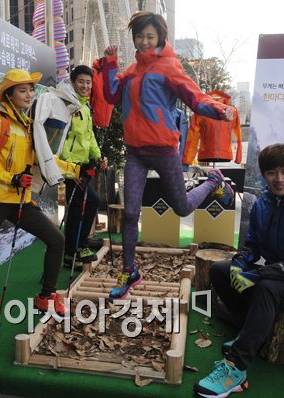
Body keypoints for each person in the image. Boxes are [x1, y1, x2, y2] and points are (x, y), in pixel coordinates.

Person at [101, 12, 235, 300]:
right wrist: (110, 64)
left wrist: (218, 110)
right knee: (130, 214)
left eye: (149, 36)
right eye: (139, 36)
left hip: (164, 150)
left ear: (161, 37)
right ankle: (129, 271)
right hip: (135, 152)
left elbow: (194, 96)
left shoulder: (170, 67)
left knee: (182, 207)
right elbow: (112, 95)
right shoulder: (133, 70)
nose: (144, 41)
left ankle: (214, 181)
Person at [194, 143, 284, 397]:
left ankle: (235, 370)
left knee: (267, 287)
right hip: (280, 279)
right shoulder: (263, 204)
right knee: (221, 271)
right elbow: (252, 247)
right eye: (271, 173)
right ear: (264, 174)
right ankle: (250, 333)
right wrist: (239, 265)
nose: (279, 179)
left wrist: (260, 274)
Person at [0, 69, 66, 329]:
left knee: (56, 239)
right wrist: (12, 178)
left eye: (31, 90)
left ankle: (45, 297)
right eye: (23, 90)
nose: (29, 95)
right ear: (9, 94)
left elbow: (46, 160)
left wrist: (78, 170)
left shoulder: (27, 125)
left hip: (21, 201)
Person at [59, 65, 108, 268]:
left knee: (81, 207)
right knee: (87, 203)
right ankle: (76, 248)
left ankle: (75, 250)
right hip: (73, 169)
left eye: (88, 82)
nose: (85, 85)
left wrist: (99, 157)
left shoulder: (86, 107)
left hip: (85, 166)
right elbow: (61, 141)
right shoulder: (67, 106)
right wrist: (71, 168)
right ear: (72, 82)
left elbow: (89, 137)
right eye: (81, 81)